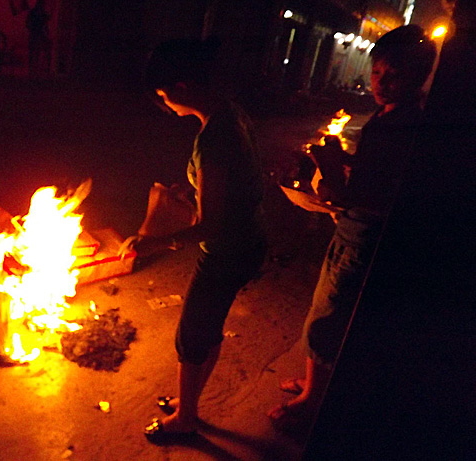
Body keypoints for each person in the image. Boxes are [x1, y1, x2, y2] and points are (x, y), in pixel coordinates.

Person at [266, 25, 437, 430]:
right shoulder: (389, 118)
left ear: (418, 77)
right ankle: (315, 383)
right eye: (378, 72)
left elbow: (357, 194)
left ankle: (314, 400)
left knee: (327, 316)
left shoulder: (400, 127)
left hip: (361, 235)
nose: (382, 82)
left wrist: (328, 163)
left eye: (394, 74)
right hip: (353, 230)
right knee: (325, 310)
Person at [121, 37, 267, 443]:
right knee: (209, 326)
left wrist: (154, 242)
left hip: (228, 251)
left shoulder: (214, 138)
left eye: (165, 96)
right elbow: (231, 186)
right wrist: (189, 194)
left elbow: (210, 226)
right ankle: (190, 403)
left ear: (182, 89)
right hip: (248, 240)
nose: (165, 104)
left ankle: (185, 420)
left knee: (191, 334)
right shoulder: (230, 115)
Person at [26, 0, 52, 78]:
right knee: (34, 50)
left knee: (36, 50)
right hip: (36, 33)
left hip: (38, 34)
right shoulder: (38, 13)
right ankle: (33, 67)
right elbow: (28, 23)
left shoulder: (39, 13)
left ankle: (34, 67)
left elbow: (45, 24)